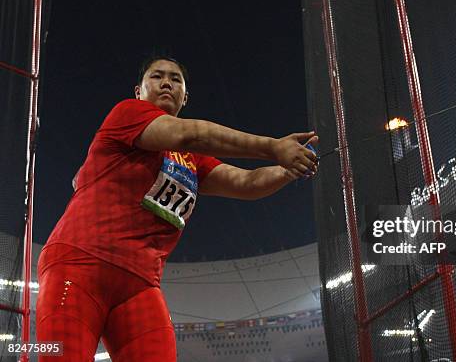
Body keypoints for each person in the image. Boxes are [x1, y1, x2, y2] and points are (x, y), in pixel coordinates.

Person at [35, 56, 318, 361]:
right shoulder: (127, 113)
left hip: (140, 284)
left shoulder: (190, 158)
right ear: (138, 91)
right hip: (79, 264)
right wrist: (273, 147)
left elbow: (246, 182)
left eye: (176, 79)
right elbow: (190, 133)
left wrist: (291, 168)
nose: (167, 82)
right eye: (157, 77)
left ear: (186, 96)